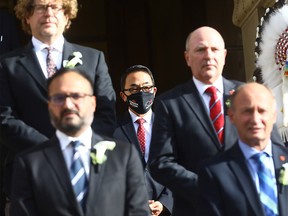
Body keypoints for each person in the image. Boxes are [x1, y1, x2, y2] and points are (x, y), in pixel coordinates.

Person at [148, 26, 284, 215]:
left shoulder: (249, 95)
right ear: (187, 57)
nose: (208, 55)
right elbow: (160, 162)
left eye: (214, 49)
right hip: (196, 207)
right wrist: (210, 186)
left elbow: (276, 150)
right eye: (200, 50)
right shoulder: (170, 104)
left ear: (225, 55)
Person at [0, 0, 116, 208]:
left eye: (55, 7)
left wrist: (78, 148)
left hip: (85, 171)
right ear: (27, 16)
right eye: (40, 7)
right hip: (30, 174)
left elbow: (106, 114)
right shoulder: (7, 64)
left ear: (67, 16)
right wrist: (52, 150)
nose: (49, 13)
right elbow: (4, 117)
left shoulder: (93, 59)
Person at [10, 68, 150, 216]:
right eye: (59, 98)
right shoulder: (29, 163)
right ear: (49, 106)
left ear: (93, 103)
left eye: (77, 96)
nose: (68, 105)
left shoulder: (124, 156)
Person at [197, 82, 288, 216]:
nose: (256, 119)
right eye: (248, 111)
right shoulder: (215, 173)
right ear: (232, 116)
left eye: (262, 111)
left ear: (274, 116)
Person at [113, 65, 173, 216]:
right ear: (123, 95)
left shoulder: (172, 127)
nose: (141, 93)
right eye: (133, 89)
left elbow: (182, 167)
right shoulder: (112, 131)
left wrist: (165, 203)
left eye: (146, 88)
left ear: (154, 91)